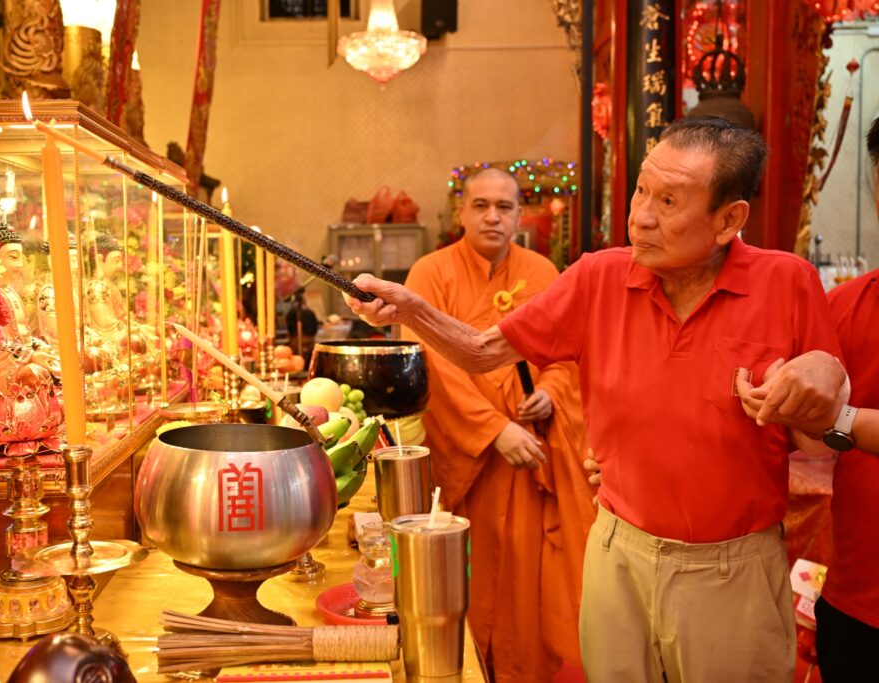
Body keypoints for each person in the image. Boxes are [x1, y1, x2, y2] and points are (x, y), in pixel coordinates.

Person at [345, 116, 847, 682]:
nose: (642, 217)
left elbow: (820, 438)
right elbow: (484, 352)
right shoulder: (599, 277)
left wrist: (824, 379)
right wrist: (411, 308)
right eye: (641, 191)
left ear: (729, 219)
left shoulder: (787, 282)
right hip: (618, 549)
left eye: (669, 201)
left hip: (731, 567)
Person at [400, 168, 594, 682]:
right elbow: (430, 360)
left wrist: (552, 392)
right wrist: (492, 430)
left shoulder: (543, 271)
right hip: (468, 457)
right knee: (461, 575)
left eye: (504, 207)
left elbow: (567, 351)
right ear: (460, 212)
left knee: (526, 581)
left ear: (518, 215)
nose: (492, 217)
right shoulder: (430, 273)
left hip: (530, 456)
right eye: (481, 205)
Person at [740, 116, 879, 681]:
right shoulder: (844, 306)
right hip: (858, 598)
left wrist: (840, 419)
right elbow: (793, 429)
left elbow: (830, 420)